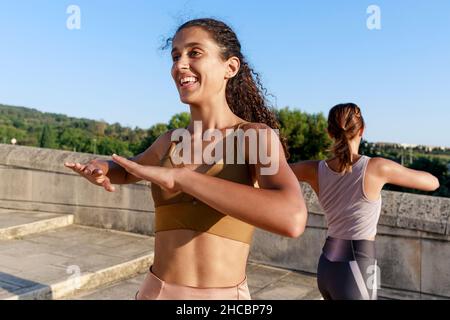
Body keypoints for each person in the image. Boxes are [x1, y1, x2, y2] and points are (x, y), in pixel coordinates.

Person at [64, 18, 308, 300]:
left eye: (195, 53)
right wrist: (103, 167)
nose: (180, 64)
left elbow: (291, 218)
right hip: (155, 292)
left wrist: (182, 178)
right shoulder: (170, 141)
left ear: (230, 67)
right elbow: (130, 169)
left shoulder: (254, 137)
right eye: (176, 55)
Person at [290, 103, 440, 300]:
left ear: (329, 132)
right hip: (358, 268)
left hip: (326, 265)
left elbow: (273, 171)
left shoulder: (314, 169)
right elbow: (433, 183)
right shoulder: (377, 168)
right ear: (362, 130)